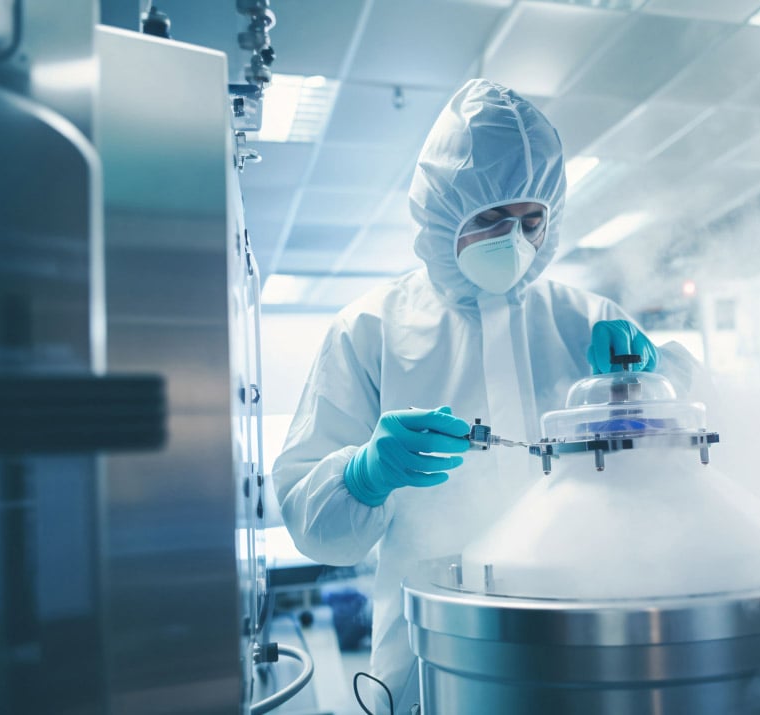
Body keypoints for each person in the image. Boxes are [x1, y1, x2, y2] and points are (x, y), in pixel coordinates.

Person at [271, 78, 701, 704]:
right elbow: (315, 529)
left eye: (532, 220)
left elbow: (685, 454)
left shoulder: (587, 319)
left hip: (587, 638)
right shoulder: (370, 329)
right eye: (492, 218)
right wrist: (364, 475)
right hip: (435, 656)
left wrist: (658, 374)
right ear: (444, 213)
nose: (515, 240)